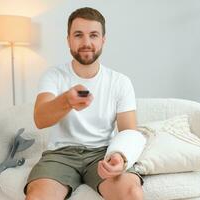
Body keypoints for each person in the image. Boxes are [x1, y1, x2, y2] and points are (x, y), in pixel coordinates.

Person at [24, 7, 145, 200]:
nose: (86, 43)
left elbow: (130, 132)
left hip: (102, 153)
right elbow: (40, 119)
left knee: (132, 193)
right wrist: (66, 100)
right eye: (78, 35)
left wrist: (120, 157)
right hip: (60, 155)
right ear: (68, 40)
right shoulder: (54, 76)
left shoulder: (120, 81)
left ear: (103, 40)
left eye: (94, 35)